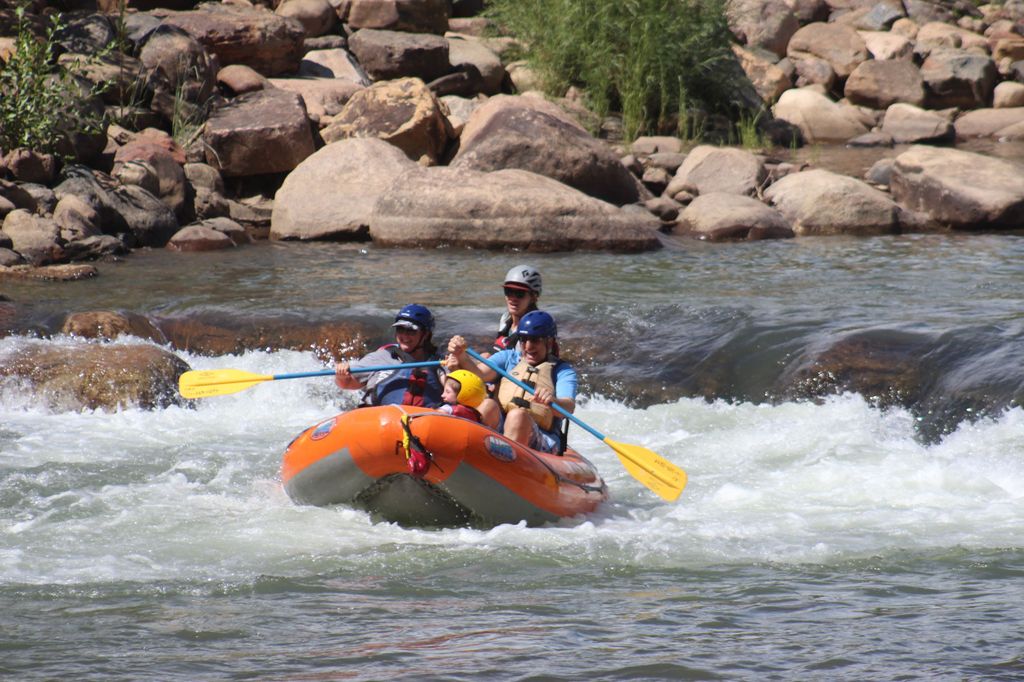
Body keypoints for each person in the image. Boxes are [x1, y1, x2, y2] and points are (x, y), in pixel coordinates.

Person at [447, 310, 575, 453]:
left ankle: (504, 464)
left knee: (517, 416)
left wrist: (553, 402)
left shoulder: (562, 370)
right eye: (523, 339)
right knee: (488, 404)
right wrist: (461, 356)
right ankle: (468, 451)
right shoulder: (509, 357)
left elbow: (568, 407)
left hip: (542, 437)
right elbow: (480, 374)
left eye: (535, 340)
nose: (528, 346)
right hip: (504, 426)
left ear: (549, 342)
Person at [335, 304, 445, 407]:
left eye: (411, 331)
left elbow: (457, 389)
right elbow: (348, 384)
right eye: (400, 329)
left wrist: (460, 358)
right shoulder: (380, 357)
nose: (404, 336)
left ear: (425, 335)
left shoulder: (439, 362)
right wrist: (342, 376)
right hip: (378, 417)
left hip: (423, 419)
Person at [494, 265, 542, 351]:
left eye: (520, 293)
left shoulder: (534, 329)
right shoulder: (505, 319)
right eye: (508, 292)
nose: (513, 298)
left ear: (533, 297)